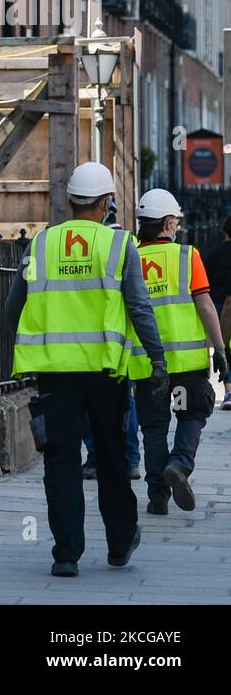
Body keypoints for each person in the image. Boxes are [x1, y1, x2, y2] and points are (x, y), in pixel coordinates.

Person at [6, 161, 165, 578]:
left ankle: (66, 555)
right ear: (108, 202)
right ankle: (118, 544)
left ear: (70, 200)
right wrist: (157, 358)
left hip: (54, 373)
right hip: (105, 373)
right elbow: (139, 307)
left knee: (60, 460)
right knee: (111, 456)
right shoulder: (119, 245)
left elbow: (12, 308)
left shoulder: (39, 245)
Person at [126, 189, 229, 515]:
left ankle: (158, 496)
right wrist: (220, 349)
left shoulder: (129, 259)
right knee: (190, 414)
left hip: (147, 367)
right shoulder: (187, 256)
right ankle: (181, 464)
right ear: (169, 223)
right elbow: (205, 306)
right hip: (185, 366)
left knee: (154, 428)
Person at [83, 197, 142, 481]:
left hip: (87, 340)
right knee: (125, 402)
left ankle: (95, 458)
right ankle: (129, 458)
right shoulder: (127, 242)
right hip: (120, 338)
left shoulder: (97, 242)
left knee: (87, 405)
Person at [200, 216, 231, 410]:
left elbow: (205, 282)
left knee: (224, 347)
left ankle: (229, 390)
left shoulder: (214, 253)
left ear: (224, 231)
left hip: (218, 304)